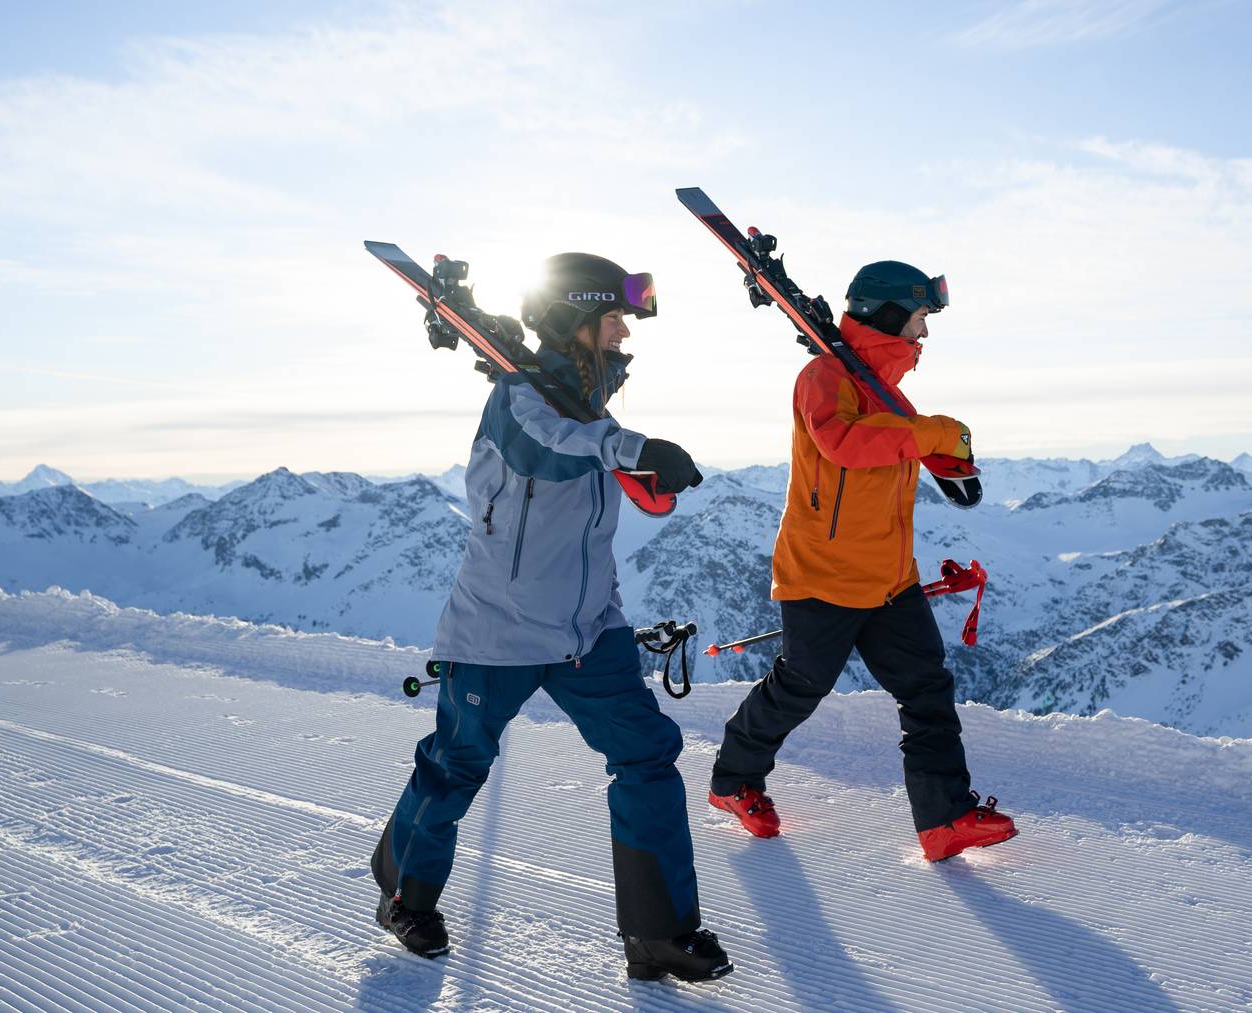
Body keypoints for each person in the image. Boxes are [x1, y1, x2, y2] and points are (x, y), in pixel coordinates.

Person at [371, 252, 732, 982]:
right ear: (576, 321)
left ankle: (659, 932)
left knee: (646, 756)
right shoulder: (521, 403)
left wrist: (614, 616)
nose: (626, 335)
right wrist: (633, 448)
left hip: (587, 632)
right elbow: (545, 451)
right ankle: (404, 894)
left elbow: (588, 533)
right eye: (614, 320)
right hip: (496, 631)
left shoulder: (590, 413)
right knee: (455, 767)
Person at [707, 260, 1017, 862]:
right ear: (889, 312)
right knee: (801, 686)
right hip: (822, 574)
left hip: (889, 577)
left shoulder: (889, 392)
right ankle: (732, 782)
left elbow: (894, 441)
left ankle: (944, 820)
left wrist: (947, 463)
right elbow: (843, 444)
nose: (924, 333)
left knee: (926, 689)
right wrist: (928, 435)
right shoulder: (823, 376)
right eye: (920, 317)